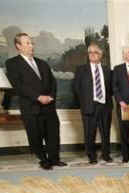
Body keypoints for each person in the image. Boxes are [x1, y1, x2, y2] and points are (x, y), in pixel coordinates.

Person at [5, 33, 66, 170]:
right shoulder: (12, 63)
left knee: (53, 133)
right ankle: (43, 159)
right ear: (18, 46)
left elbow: (53, 82)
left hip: (49, 106)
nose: (31, 45)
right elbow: (18, 85)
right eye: (27, 43)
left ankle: (54, 159)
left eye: (32, 43)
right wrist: (38, 97)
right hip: (31, 107)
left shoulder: (42, 63)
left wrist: (50, 97)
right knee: (35, 135)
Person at [74, 43, 113, 164]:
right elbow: (76, 88)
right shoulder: (81, 70)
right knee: (89, 132)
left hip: (105, 105)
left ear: (100, 55)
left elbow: (111, 88)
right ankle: (91, 155)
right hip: (89, 106)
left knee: (105, 131)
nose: (92, 54)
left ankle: (106, 154)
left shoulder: (107, 70)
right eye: (90, 52)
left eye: (95, 52)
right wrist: (84, 103)